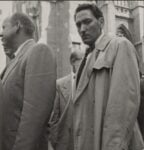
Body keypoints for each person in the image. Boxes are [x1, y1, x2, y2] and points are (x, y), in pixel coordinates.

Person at [71, 3, 142, 150]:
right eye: (78, 25)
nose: (82, 29)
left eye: (87, 22)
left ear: (101, 22)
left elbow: (122, 108)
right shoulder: (86, 58)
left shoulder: (120, 46)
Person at [0, 12, 56, 150]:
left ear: (17, 26)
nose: (1, 34)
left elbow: (33, 118)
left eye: (4, 27)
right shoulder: (14, 62)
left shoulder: (38, 51)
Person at [48, 50, 83, 150]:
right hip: (64, 143)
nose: (85, 64)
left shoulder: (91, 83)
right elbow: (54, 118)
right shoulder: (59, 85)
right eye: (82, 60)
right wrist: (55, 143)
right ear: (73, 62)